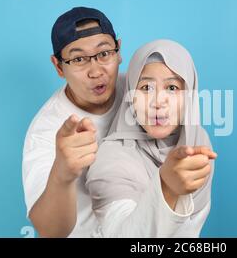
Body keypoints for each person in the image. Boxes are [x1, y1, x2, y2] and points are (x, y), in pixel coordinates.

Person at [86, 39, 217, 237]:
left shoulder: (198, 142)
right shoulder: (111, 157)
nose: (157, 102)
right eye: (146, 88)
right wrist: (167, 188)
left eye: (172, 88)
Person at [22, 7, 124, 237]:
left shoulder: (140, 92)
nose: (96, 71)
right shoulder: (46, 130)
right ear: (58, 66)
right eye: (78, 59)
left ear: (119, 51)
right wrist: (62, 173)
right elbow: (49, 231)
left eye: (104, 53)